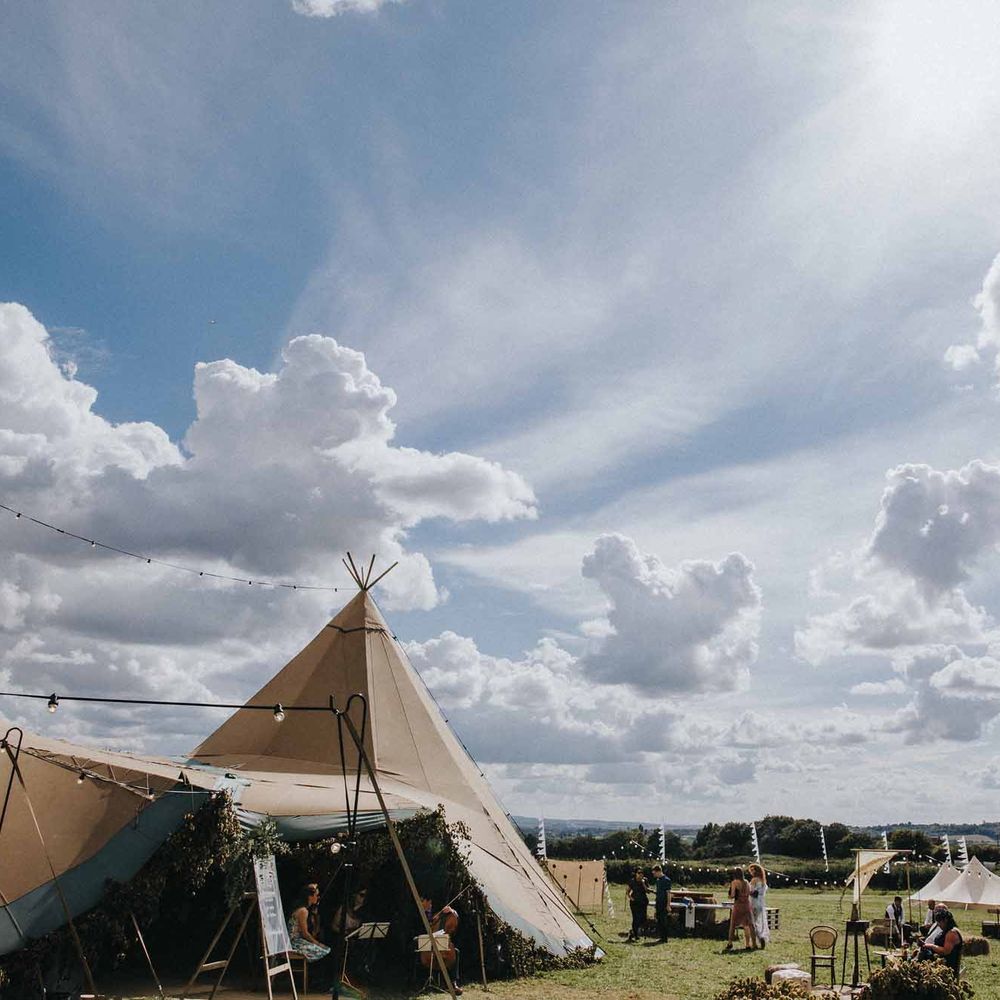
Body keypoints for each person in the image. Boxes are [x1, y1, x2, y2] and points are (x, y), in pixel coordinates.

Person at [287, 883, 332, 961]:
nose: (318, 897)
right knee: (324, 950)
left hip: (295, 940)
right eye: (316, 895)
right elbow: (304, 933)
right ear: (310, 897)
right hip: (294, 942)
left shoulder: (304, 909)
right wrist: (317, 943)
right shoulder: (303, 911)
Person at [917, 906, 963, 977]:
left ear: (945, 920)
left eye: (939, 922)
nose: (938, 924)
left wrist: (931, 946)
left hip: (946, 965)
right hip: (939, 959)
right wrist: (925, 944)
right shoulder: (946, 930)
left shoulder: (952, 933)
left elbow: (945, 951)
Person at [724, 868, 757, 951]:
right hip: (746, 904)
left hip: (738, 905)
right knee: (747, 925)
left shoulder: (734, 882)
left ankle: (730, 943)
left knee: (733, 925)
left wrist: (729, 895)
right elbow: (749, 893)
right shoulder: (746, 882)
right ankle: (748, 944)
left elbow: (732, 895)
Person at [748, 864, 768, 949]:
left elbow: (751, 891)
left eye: (752, 870)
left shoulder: (754, 880)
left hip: (754, 903)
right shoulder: (763, 881)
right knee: (759, 921)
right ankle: (761, 937)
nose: (751, 872)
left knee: (753, 923)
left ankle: (759, 938)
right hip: (761, 903)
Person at [626, 869, 649, 942]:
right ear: (636, 873)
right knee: (636, 918)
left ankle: (634, 932)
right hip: (635, 902)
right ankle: (635, 935)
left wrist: (643, 883)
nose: (640, 874)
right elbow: (627, 891)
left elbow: (647, 891)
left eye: (642, 873)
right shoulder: (632, 881)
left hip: (643, 902)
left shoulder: (645, 880)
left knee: (643, 918)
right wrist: (631, 897)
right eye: (639, 873)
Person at [651, 865, 672, 942]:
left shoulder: (667, 880)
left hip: (664, 903)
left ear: (659, 871)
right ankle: (661, 936)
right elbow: (658, 891)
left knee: (663, 921)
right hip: (658, 902)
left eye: (654, 873)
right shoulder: (658, 880)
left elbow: (668, 893)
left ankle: (664, 938)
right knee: (659, 920)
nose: (654, 875)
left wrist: (668, 905)